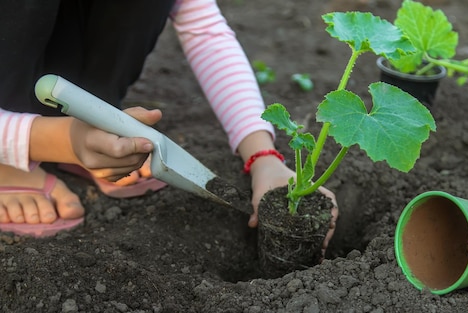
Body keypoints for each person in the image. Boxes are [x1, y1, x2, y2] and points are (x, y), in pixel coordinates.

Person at [0, 0, 337, 247]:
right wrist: (50, 138)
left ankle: (90, 114)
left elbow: (203, 27)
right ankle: (12, 159)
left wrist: (262, 155)